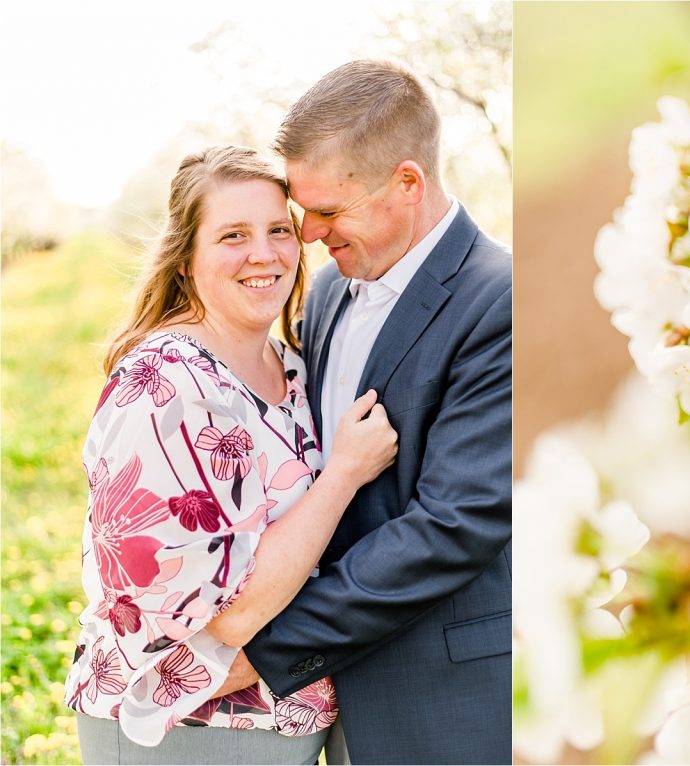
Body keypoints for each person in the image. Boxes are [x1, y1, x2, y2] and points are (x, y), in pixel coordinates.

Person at [65, 145, 398, 765]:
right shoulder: (163, 385)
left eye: (278, 230)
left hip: (287, 717)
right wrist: (345, 473)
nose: (263, 254)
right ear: (186, 260)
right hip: (181, 726)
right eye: (233, 236)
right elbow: (229, 614)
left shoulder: (292, 367)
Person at [226, 59, 512, 765]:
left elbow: (455, 524)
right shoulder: (325, 294)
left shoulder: (501, 302)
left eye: (328, 211)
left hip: (442, 702)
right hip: (329, 701)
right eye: (304, 211)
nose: (312, 235)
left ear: (408, 183)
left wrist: (268, 648)